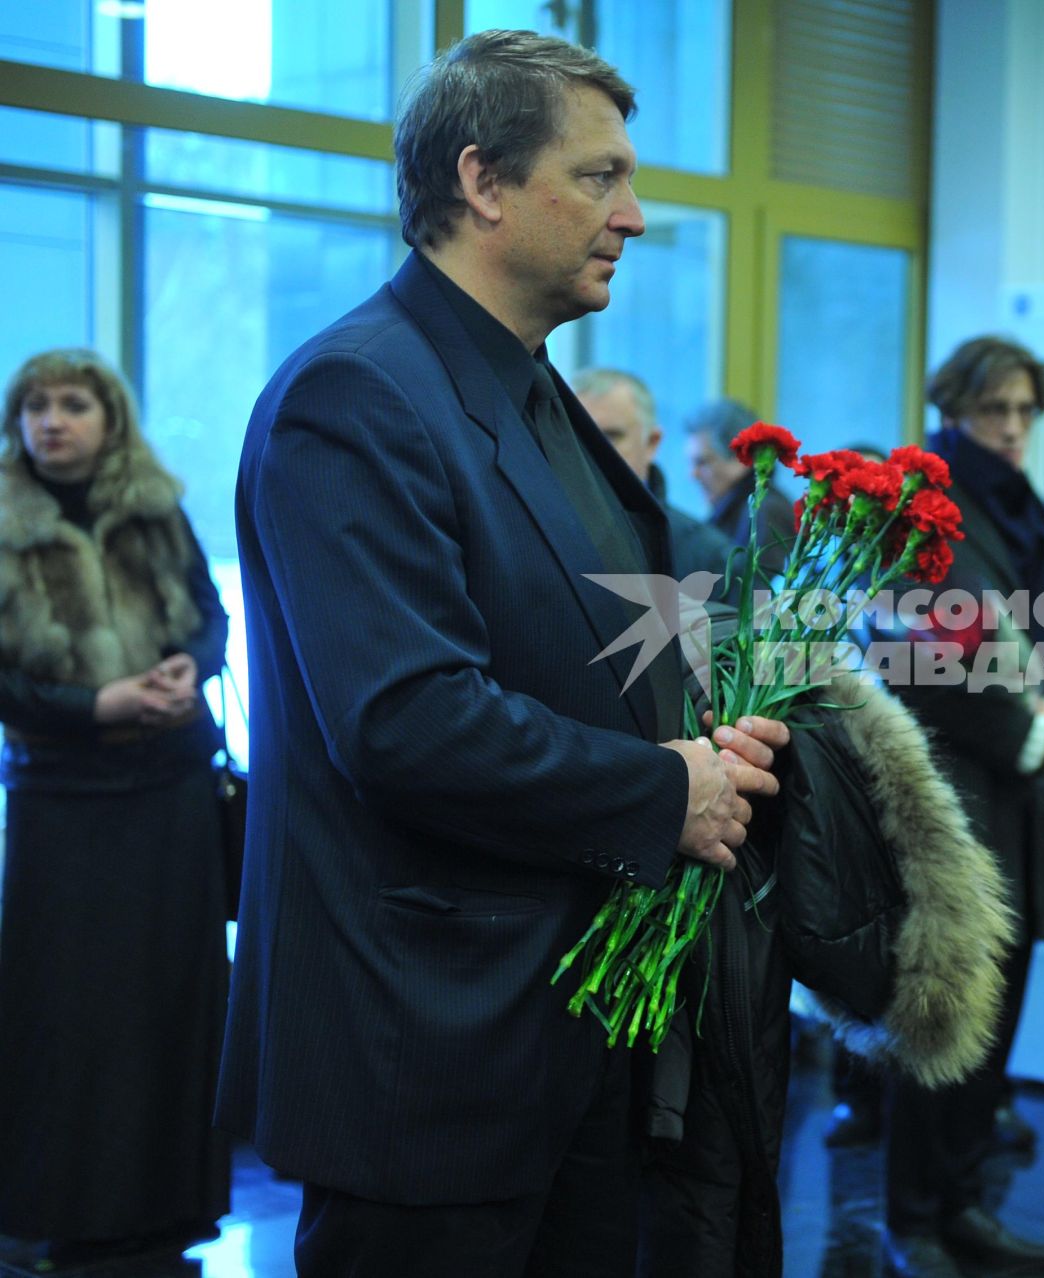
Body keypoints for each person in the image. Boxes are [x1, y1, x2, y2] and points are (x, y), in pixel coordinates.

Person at [216, 31, 786, 1278]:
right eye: (599, 178)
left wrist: (718, 725)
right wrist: (666, 790)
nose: (633, 217)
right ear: (481, 182)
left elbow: (585, 645)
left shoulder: (528, 389)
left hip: (562, 1027)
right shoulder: (356, 395)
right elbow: (407, 719)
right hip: (427, 1047)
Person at [0, 348, 231, 1264]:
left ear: (110, 418)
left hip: (171, 790)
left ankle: (170, 1209)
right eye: (34, 407)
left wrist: (193, 666)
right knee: (66, 1014)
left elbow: (210, 619)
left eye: (72, 405)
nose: (51, 421)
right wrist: (96, 706)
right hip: (65, 802)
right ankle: (60, 1212)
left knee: (173, 1003)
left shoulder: (156, 507)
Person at [880, 336, 1044, 1278]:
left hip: (1027, 797)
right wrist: (1026, 731)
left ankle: (963, 1204)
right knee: (941, 1019)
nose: (1011, 430)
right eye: (993, 411)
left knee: (997, 1023)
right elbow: (908, 656)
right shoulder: (919, 505)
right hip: (959, 797)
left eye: (1024, 412)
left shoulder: (1020, 505)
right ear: (954, 410)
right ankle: (913, 1217)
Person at [573, 366, 731, 578]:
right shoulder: (538, 538)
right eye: (578, 436)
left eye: (611, 436)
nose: (593, 450)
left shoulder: (710, 558)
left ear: (651, 443)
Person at [686, 398, 794, 570]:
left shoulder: (767, 512)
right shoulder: (736, 511)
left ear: (739, 459)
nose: (693, 475)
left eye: (703, 462)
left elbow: (760, 592)